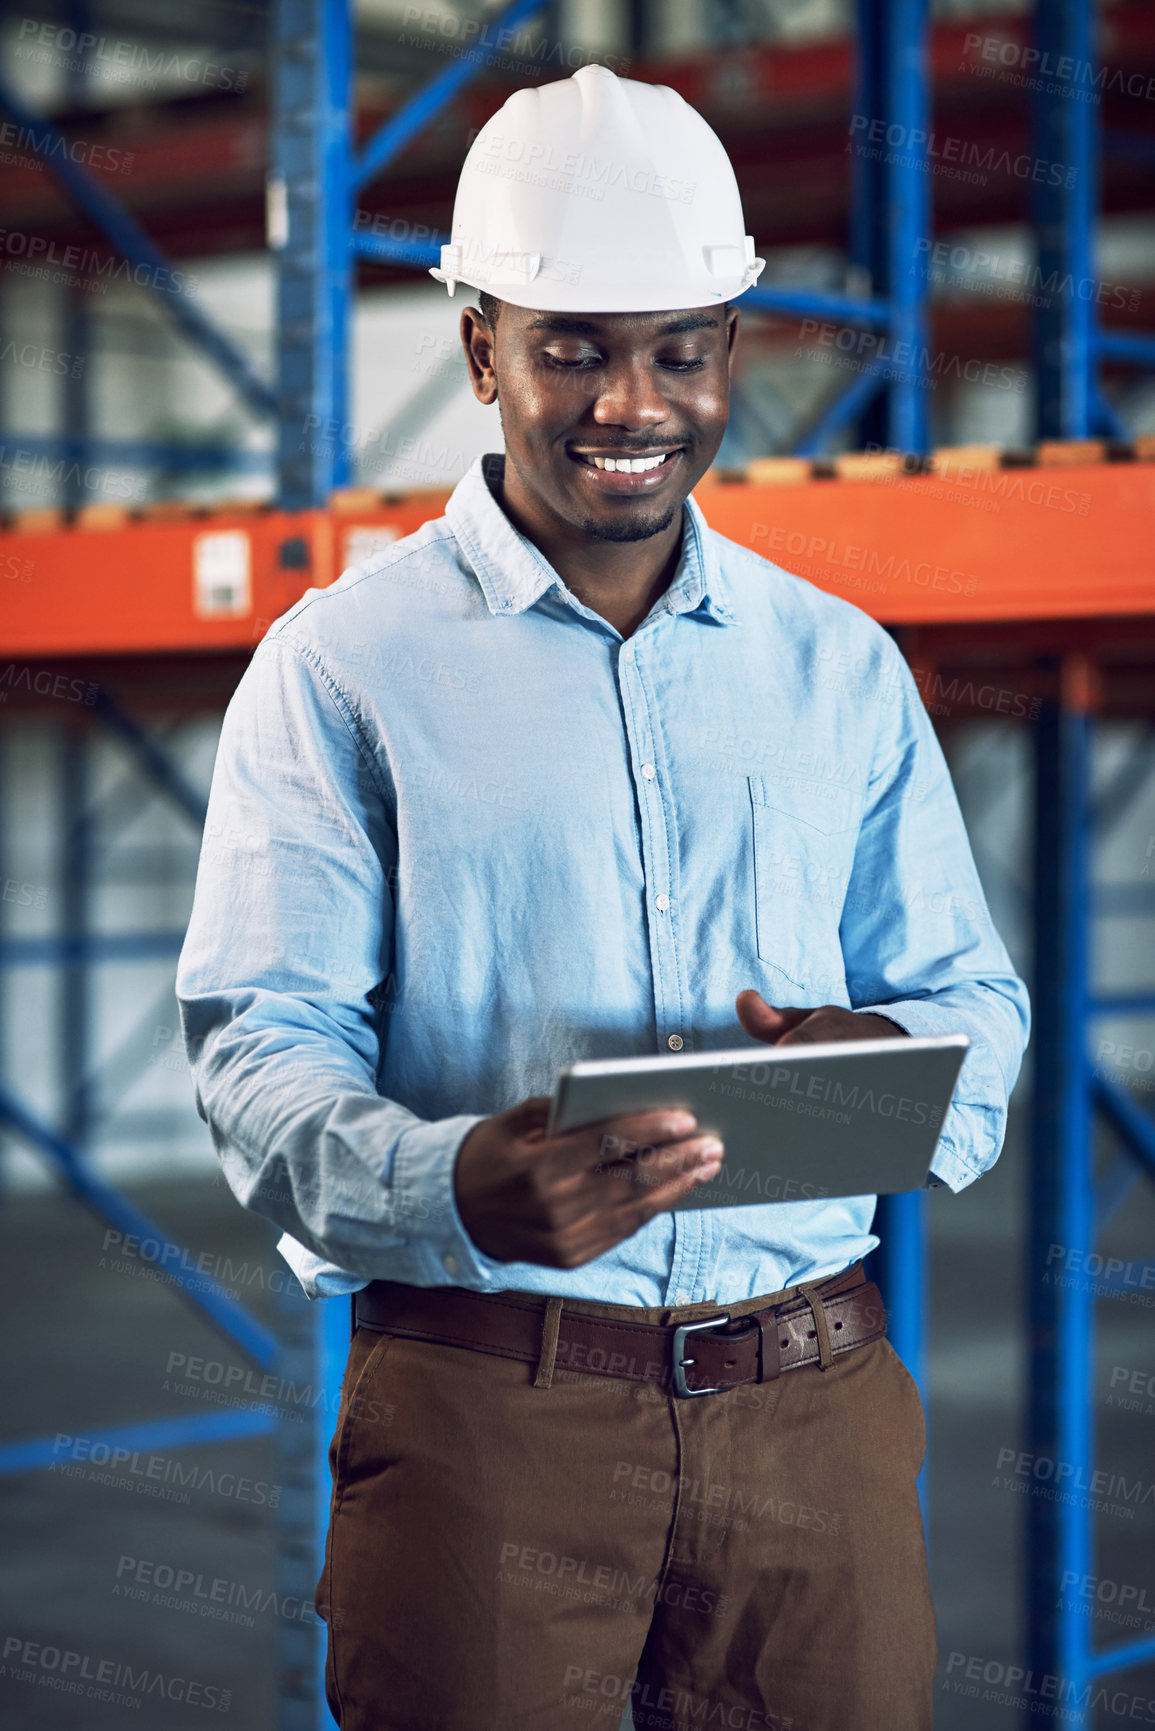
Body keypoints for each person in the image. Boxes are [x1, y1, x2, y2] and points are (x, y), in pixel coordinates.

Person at [177, 63, 1029, 1731]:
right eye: (572, 347)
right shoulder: (343, 669)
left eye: (678, 351)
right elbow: (256, 1045)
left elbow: (977, 1017)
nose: (630, 402)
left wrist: (879, 1066)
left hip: (815, 1411)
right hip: (497, 1406)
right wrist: (448, 1185)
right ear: (481, 343)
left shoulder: (837, 669)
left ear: (730, 348)